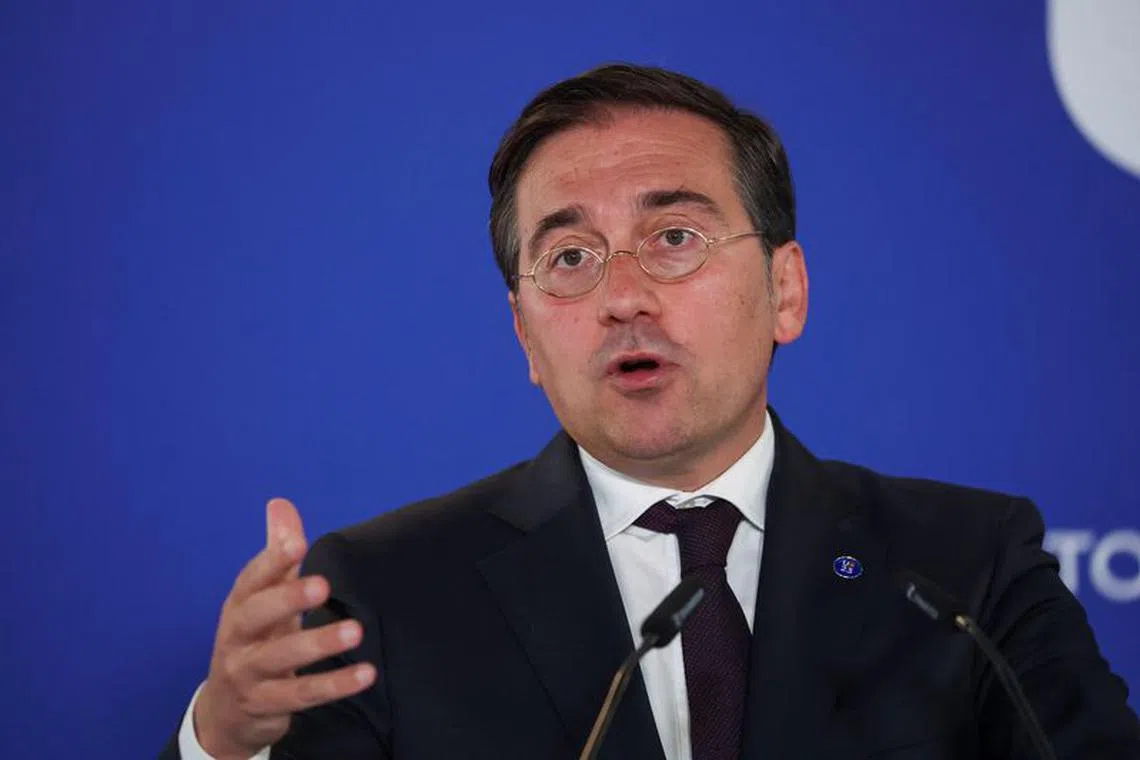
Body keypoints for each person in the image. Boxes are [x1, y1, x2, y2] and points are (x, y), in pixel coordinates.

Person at [161, 64, 1140, 760]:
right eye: (571, 257)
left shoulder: (965, 567)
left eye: (674, 237)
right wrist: (225, 742)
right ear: (525, 335)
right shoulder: (382, 593)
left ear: (786, 289)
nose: (623, 296)